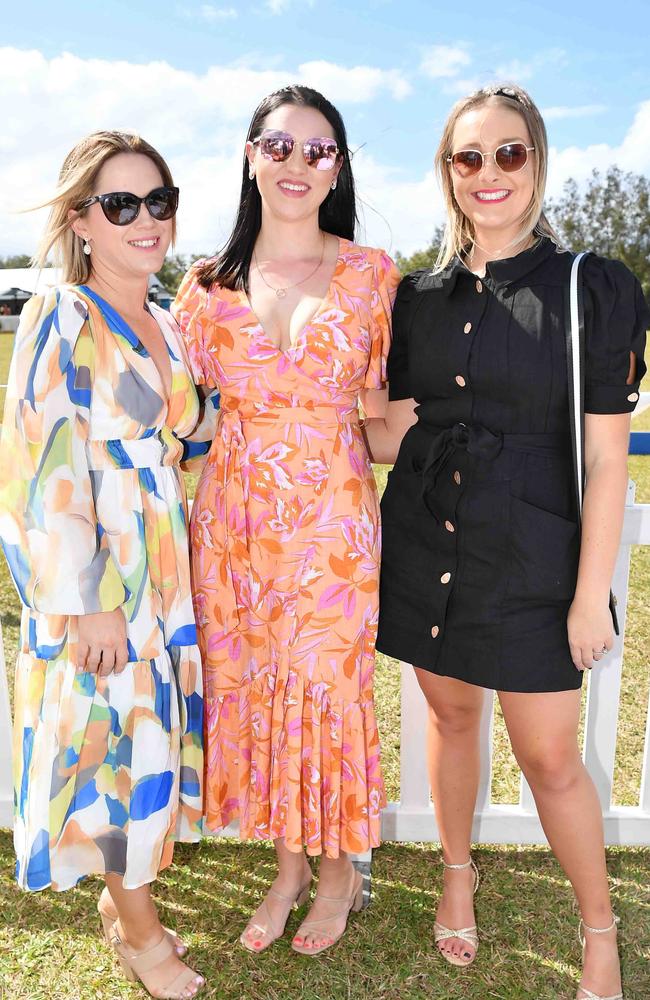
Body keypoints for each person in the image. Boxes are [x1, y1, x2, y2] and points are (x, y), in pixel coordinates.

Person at [364, 84, 647, 1000]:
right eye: (468, 158)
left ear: (537, 160)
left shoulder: (590, 288)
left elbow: (608, 462)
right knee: (449, 718)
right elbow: (390, 427)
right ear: (447, 174)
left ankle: (597, 930)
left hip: (534, 559)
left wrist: (585, 594)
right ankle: (457, 876)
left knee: (551, 759)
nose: (489, 175)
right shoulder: (417, 300)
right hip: (427, 541)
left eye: (509, 154)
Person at [173, 84, 399, 956]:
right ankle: (289, 867)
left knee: (328, 695)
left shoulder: (372, 274)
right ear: (250, 154)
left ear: (339, 166)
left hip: (333, 528)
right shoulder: (202, 288)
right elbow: (186, 414)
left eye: (320, 149)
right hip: (231, 526)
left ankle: (339, 871)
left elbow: (382, 420)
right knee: (259, 692)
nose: (299, 164)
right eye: (281, 145)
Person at [0, 131, 214, 999]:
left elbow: (186, 440)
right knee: (114, 744)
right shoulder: (61, 313)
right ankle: (141, 934)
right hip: (101, 571)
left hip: (165, 563)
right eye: (120, 204)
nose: (144, 220)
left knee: (147, 734)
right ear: (82, 220)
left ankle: (129, 907)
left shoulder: (167, 317)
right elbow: (39, 463)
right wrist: (82, 600)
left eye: (156, 200)